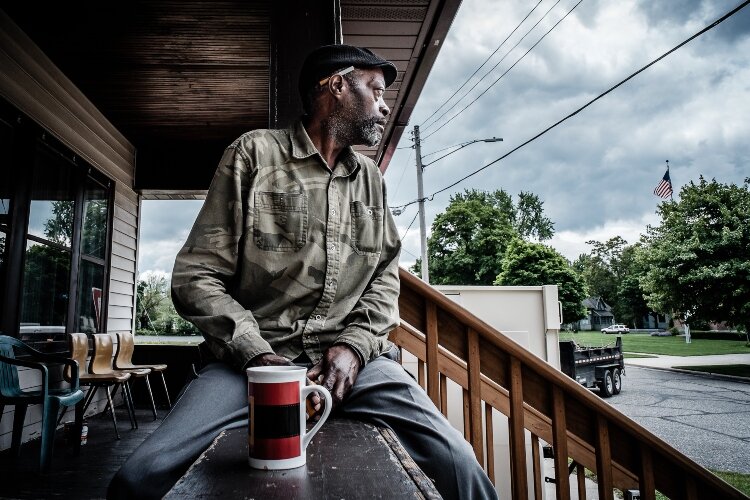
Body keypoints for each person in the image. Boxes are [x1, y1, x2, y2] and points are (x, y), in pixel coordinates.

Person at [108, 44, 497, 500]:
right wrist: (254, 353)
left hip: (354, 365)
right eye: (374, 90)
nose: (385, 104)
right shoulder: (254, 154)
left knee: (461, 465)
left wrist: (353, 347)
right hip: (247, 367)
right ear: (336, 86)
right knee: (140, 477)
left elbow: (385, 276)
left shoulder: (370, 177)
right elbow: (195, 276)